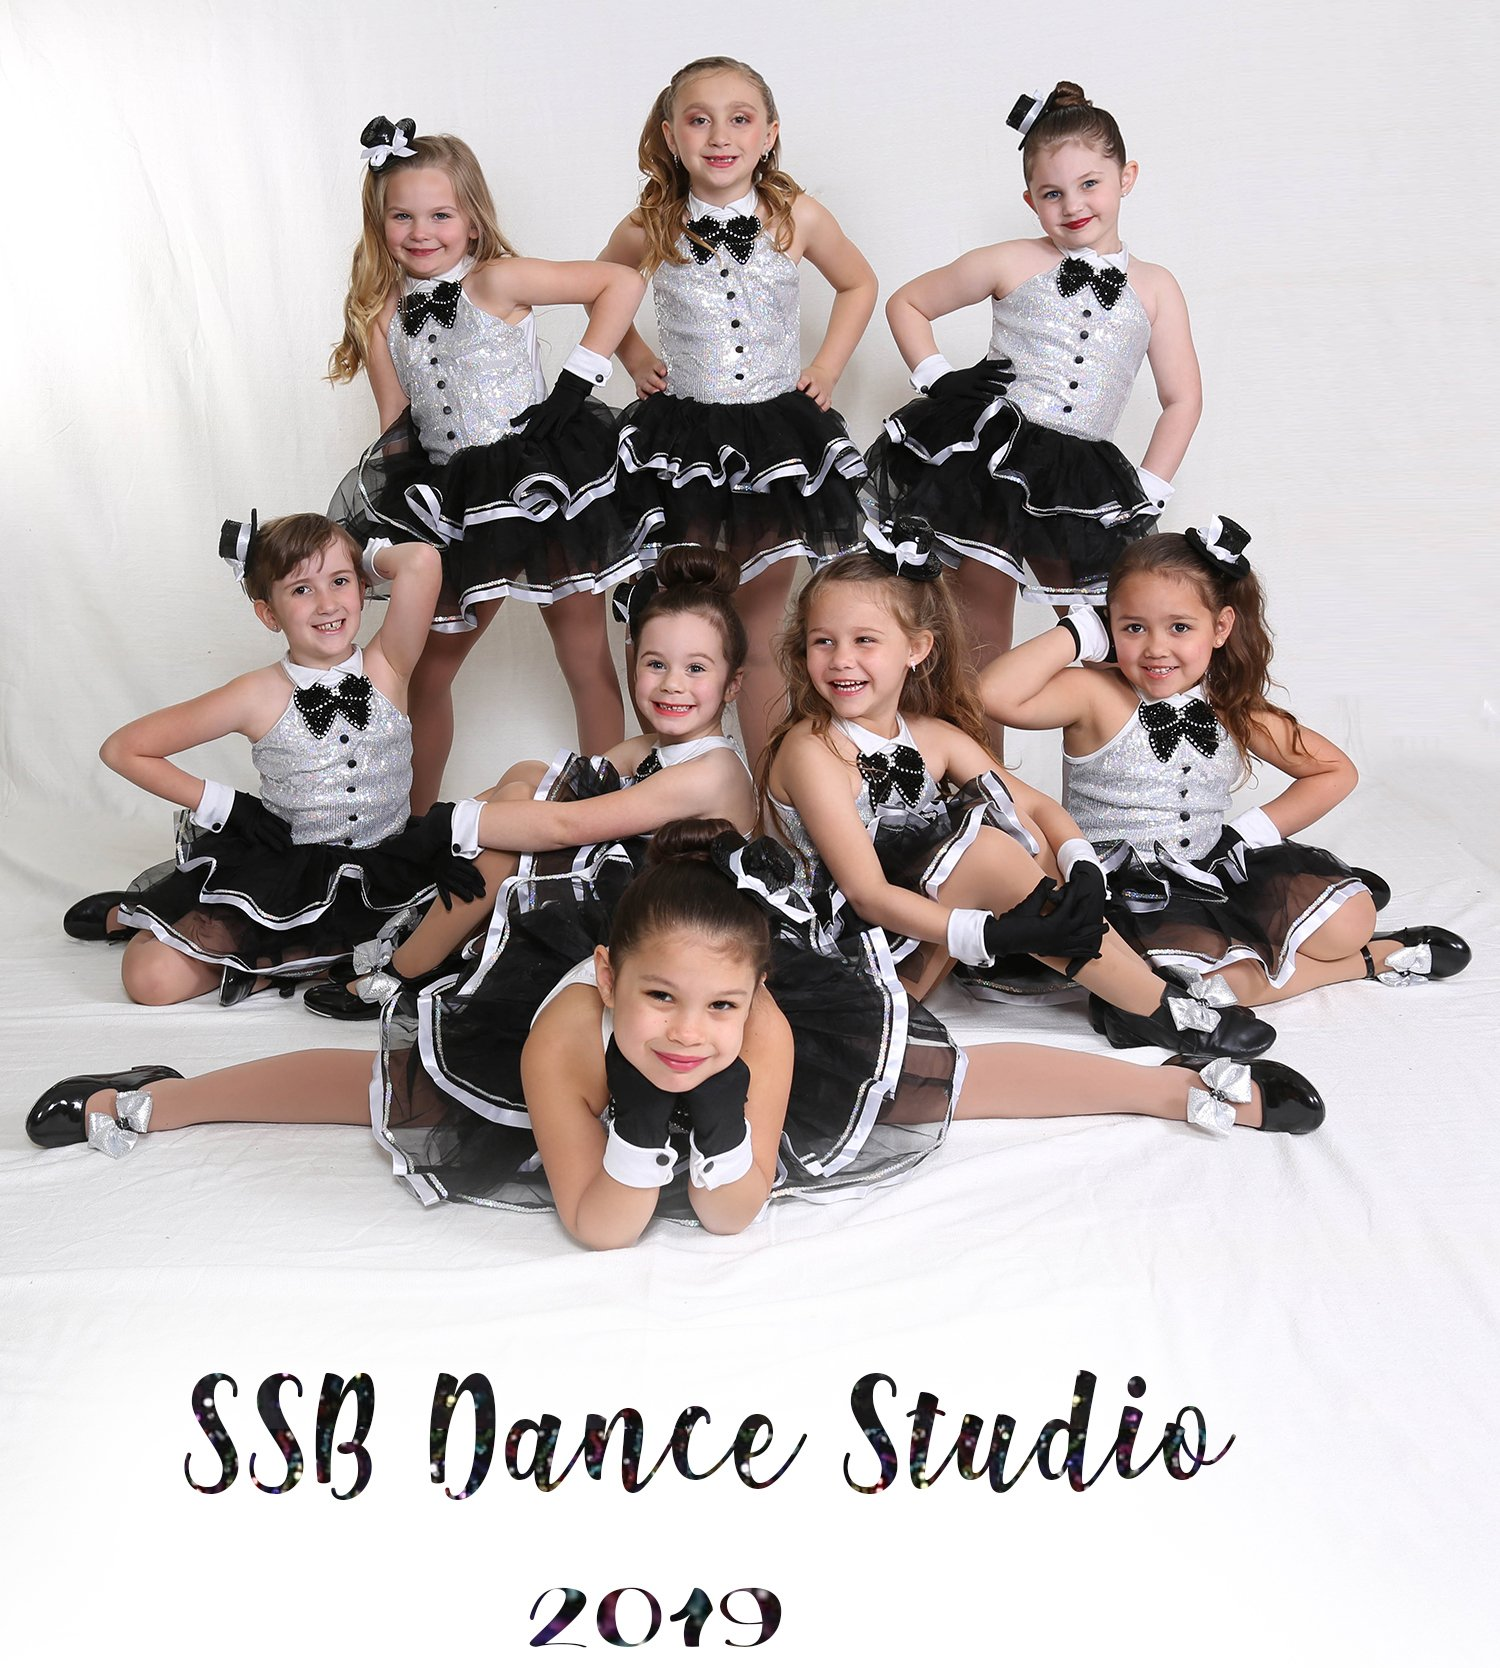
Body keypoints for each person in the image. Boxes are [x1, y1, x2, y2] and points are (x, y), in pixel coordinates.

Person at [30, 827, 1329, 1234]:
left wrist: (700, 1123)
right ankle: (162, 1092)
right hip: (564, 1046)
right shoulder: (565, 1031)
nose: (687, 1029)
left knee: (951, 1082)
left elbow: (733, 1215)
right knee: (388, 1090)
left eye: (713, 1004)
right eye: (660, 999)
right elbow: (597, 1223)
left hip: (728, 1046)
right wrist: (638, 1135)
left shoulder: (751, 1032)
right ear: (608, 975)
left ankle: (1170, 1084)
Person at [759, 526, 1279, 1060]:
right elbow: (868, 894)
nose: (841, 659)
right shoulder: (811, 750)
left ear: (916, 648)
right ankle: (1152, 1006)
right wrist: (992, 937)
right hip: (843, 954)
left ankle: (1132, 994)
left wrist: (1082, 865)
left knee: (1022, 826)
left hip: (917, 942)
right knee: (986, 849)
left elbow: (1034, 805)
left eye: (864, 640)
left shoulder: (930, 736)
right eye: (824, 641)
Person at [980, 519, 1471, 1007]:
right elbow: (990, 695)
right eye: (1133, 627)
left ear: (1220, 627)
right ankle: (1373, 961)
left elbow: (1334, 770)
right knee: (1204, 987)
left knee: (1352, 919)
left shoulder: (1231, 704)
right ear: (1110, 627)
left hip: (1212, 868)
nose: (1155, 648)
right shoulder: (1092, 694)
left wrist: (1246, 835)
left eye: (1179, 627)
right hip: (1120, 889)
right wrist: (1079, 630)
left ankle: (1353, 941)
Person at [328, 118, 647, 803]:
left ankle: (609, 818)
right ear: (378, 223)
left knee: (584, 655)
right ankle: (413, 823)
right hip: (456, 499)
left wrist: (574, 384)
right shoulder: (381, 312)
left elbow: (620, 282)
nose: (422, 231)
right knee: (426, 671)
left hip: (543, 486)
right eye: (402, 216)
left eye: (440, 214)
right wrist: (401, 522)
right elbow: (395, 425)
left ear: (472, 222)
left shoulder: (498, 280)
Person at [302, 545, 758, 1018]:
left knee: (510, 845)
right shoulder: (650, 747)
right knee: (529, 774)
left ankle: (407, 969)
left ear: (733, 684)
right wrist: (449, 828)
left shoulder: (712, 770)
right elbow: (555, 786)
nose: (672, 685)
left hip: (677, 922)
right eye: (656, 664)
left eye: (696, 668)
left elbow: (568, 826)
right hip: (640, 890)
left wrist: (455, 822)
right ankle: (435, 925)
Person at [61, 513, 482, 1005]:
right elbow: (123, 749)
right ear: (268, 614)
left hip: (390, 864)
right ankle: (134, 913)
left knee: (477, 932)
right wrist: (226, 807)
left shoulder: (388, 663)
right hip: (289, 874)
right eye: (301, 589)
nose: (327, 604)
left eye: (340, 582)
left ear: (363, 589)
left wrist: (357, 554)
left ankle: (272, 972)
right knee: (148, 981)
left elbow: (422, 560)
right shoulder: (255, 693)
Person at [597, 56, 878, 766]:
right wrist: (633, 357)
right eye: (698, 119)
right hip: (681, 442)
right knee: (680, 621)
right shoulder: (651, 224)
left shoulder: (797, 216)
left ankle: (765, 804)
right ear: (669, 135)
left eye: (740, 118)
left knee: (754, 625)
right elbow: (601, 291)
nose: (719, 135)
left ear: (769, 134)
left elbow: (859, 283)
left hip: (776, 445)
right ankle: (669, 793)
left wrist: (826, 367)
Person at [865, 80, 1201, 670]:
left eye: (1090, 184)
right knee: (979, 622)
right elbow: (907, 302)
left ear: (1127, 177)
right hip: (995, 458)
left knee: (1108, 627)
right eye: (1052, 193)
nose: (1073, 206)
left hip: (1084, 475)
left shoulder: (1155, 286)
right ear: (1030, 201)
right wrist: (938, 378)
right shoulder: (1010, 260)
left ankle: (1104, 756)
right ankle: (980, 763)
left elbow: (1182, 399)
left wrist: (1150, 488)